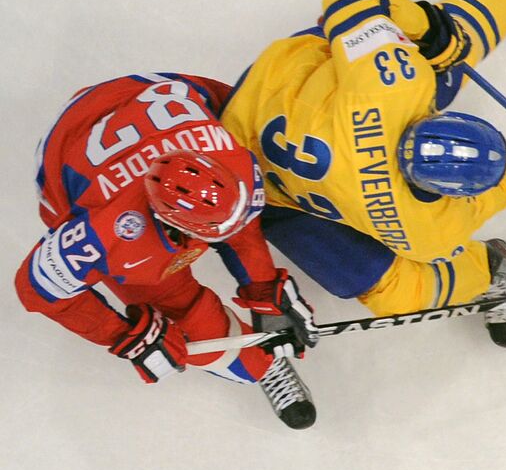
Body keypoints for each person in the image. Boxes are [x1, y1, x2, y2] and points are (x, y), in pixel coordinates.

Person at [219, 0, 506, 348]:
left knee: (447, 47)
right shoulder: (426, 228)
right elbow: (490, 195)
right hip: (259, 179)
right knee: (398, 293)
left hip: (257, 121)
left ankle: (490, 266)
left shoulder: (391, 86)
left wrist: (427, 27)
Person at [14, 74, 319, 429]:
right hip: (67, 151)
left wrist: (266, 291)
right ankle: (264, 366)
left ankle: (259, 347)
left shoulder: (229, 152)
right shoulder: (109, 231)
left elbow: (243, 231)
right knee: (185, 314)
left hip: (135, 96)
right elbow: (35, 288)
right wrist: (125, 335)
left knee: (241, 219)